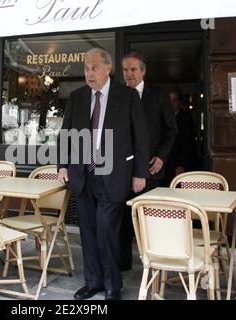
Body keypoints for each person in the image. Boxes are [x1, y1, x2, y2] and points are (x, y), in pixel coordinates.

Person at [57, 48, 149, 300]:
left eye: (94, 67)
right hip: (83, 175)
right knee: (87, 231)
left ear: (108, 68)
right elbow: (65, 135)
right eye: (86, 68)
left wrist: (140, 173)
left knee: (106, 229)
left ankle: (112, 285)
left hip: (114, 175)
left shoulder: (127, 96)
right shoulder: (77, 97)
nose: (89, 73)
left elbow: (140, 138)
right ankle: (93, 282)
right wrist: (62, 165)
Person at [119, 52, 178, 271]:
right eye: (125, 70)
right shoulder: (118, 95)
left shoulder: (159, 96)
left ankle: (152, 265)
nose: (129, 74)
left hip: (151, 168)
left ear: (143, 71)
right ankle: (122, 264)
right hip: (122, 170)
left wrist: (162, 157)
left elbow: (171, 131)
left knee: (149, 219)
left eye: (134, 69)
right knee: (123, 220)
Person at [163, 88, 195, 186]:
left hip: (178, 163)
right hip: (164, 163)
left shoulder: (186, 118)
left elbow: (186, 142)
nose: (171, 103)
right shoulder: (162, 117)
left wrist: (182, 165)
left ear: (180, 102)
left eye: (175, 100)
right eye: (169, 100)